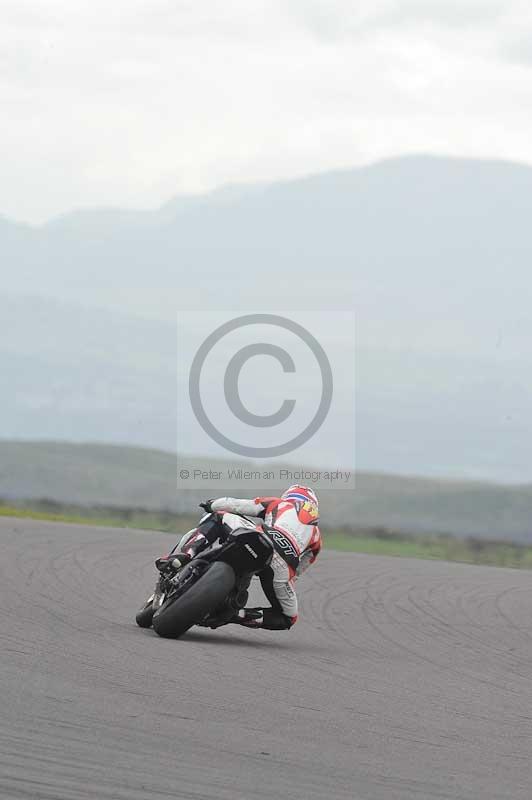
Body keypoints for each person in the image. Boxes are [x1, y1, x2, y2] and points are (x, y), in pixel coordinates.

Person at [156, 485, 321, 630]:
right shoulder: (316, 538)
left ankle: (184, 556)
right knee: (288, 618)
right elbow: (298, 571)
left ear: (291, 496)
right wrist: (281, 579)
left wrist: (211, 504)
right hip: (283, 565)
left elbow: (237, 505)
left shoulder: (280, 503)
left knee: (218, 515)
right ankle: (236, 614)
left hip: (259, 537)